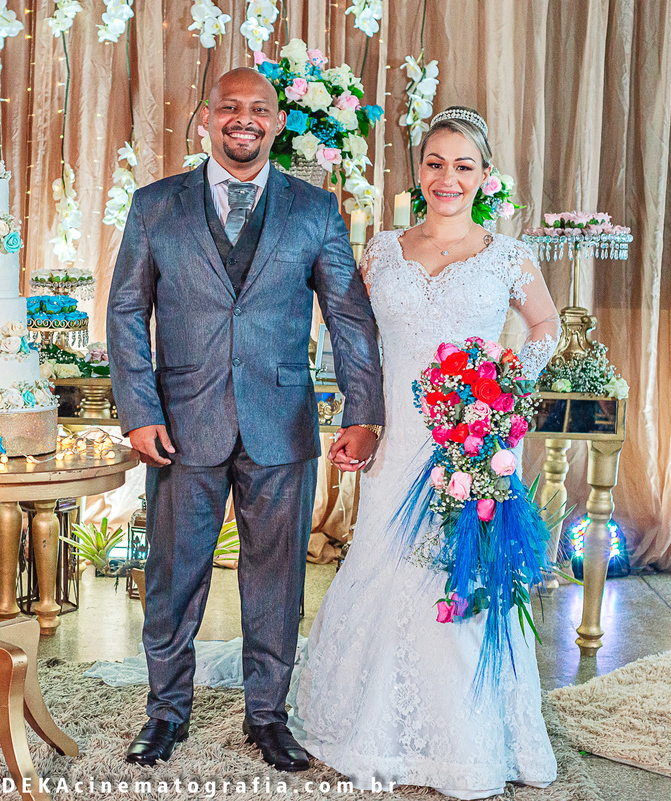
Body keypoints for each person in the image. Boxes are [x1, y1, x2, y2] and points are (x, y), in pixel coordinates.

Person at [106, 68, 385, 771]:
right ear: (205, 117)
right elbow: (126, 311)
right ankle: (165, 713)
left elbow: (349, 317)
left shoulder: (315, 210)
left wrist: (364, 413)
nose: (244, 118)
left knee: (278, 579)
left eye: (259, 108)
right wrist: (138, 410)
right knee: (173, 577)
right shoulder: (155, 206)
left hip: (281, 424)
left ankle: (268, 716)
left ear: (278, 122)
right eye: (229, 106)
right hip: (180, 425)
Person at [288, 106, 561, 799]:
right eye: (436, 164)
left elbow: (545, 325)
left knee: (457, 571)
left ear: (484, 176)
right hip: (399, 437)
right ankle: (372, 725)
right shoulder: (382, 251)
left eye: (463, 166)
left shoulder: (507, 255)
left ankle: (464, 739)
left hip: (470, 439)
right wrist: (358, 416)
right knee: (386, 563)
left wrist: (504, 387)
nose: (448, 178)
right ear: (419, 172)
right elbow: (352, 338)